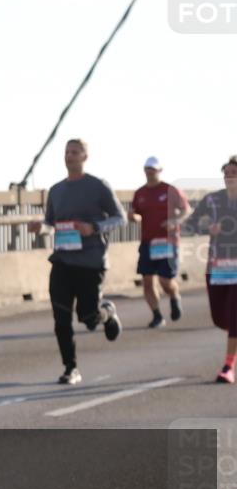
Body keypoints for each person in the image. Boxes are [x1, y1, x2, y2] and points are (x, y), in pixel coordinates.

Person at [29, 139, 126, 385]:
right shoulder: (57, 190)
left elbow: (120, 218)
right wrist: (40, 228)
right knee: (61, 318)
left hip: (91, 262)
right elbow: (51, 225)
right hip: (61, 261)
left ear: (85, 157)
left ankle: (107, 313)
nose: (69, 156)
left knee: (88, 318)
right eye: (66, 152)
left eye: (74, 152)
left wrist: (93, 227)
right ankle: (71, 368)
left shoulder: (98, 186)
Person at [185, 155, 237, 384]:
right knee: (219, 318)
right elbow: (191, 223)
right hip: (217, 267)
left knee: (235, 316)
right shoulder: (212, 200)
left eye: (233, 173)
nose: (229, 177)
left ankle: (228, 365)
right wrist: (207, 226)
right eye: (226, 173)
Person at [128, 156, 192, 328]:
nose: (150, 172)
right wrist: (133, 217)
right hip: (148, 242)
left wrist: (174, 221)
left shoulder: (170, 189)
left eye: (153, 169)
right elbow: (137, 214)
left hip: (168, 242)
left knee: (165, 281)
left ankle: (174, 295)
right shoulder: (140, 193)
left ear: (160, 171)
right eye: (147, 168)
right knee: (147, 281)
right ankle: (157, 315)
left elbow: (186, 210)